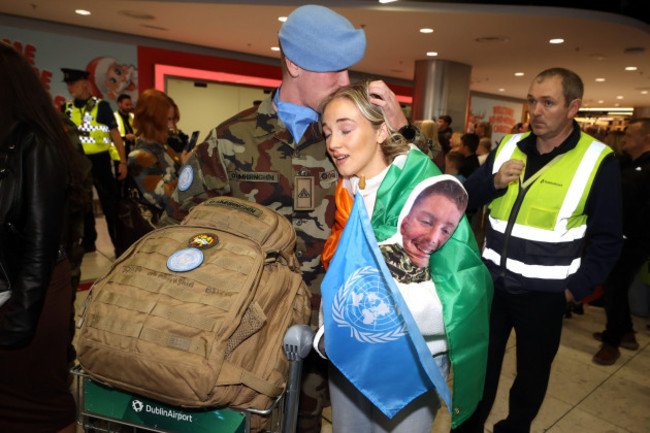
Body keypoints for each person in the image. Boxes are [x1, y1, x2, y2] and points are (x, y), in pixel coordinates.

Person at [160, 6, 424, 432]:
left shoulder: (354, 136)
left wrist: (402, 133)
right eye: (332, 71)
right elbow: (176, 231)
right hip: (244, 331)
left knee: (305, 424)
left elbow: (423, 206)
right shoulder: (230, 142)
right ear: (294, 64)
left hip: (325, 331)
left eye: (348, 70)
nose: (345, 82)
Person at [456, 67, 623, 433]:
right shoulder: (508, 146)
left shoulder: (598, 161)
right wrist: (495, 183)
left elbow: (609, 238)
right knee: (479, 369)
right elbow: (464, 197)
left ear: (572, 107)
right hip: (491, 288)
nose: (536, 110)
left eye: (548, 102)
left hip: (545, 295)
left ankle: (515, 428)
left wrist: (573, 289)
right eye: (532, 101)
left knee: (531, 377)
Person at [318, 83, 492, 432]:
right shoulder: (345, 193)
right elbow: (343, 274)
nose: (333, 142)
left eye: (345, 129)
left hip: (410, 359)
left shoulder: (424, 191)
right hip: (350, 356)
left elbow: (460, 284)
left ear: (382, 129)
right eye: (327, 132)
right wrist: (332, 326)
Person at [0, 42, 82, 433]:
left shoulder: (34, 144)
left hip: (30, 293)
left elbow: (40, 244)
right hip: (13, 288)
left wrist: (19, 318)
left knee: (34, 406)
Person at [593, 118, 650, 365]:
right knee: (616, 285)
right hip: (617, 235)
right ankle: (625, 331)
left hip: (635, 240)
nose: (624, 138)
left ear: (646, 138)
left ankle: (612, 342)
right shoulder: (626, 163)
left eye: (629, 135)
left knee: (615, 285)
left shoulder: (647, 169)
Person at [61, 67, 127, 255]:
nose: (69, 87)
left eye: (72, 83)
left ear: (84, 83)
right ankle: (88, 243)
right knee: (84, 205)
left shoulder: (101, 106)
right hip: (78, 163)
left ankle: (118, 245)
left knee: (110, 205)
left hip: (101, 162)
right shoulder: (66, 108)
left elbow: (115, 136)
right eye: (67, 84)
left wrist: (122, 162)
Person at [129, 89, 191, 212]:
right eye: (167, 120)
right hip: (159, 226)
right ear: (150, 122)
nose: (171, 126)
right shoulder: (140, 157)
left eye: (172, 120)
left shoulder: (164, 146)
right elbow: (166, 200)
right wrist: (186, 168)